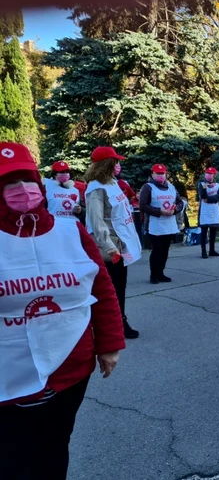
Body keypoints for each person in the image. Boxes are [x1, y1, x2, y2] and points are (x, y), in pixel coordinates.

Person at [0, 143, 125, 480]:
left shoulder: (72, 230)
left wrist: (109, 345)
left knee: (55, 448)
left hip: (71, 372)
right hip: (8, 380)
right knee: (12, 459)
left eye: (26, 180)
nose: (20, 191)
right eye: (8, 183)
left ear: (39, 186)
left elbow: (101, 288)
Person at [85, 146, 142, 339]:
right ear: (107, 164)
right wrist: (109, 247)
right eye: (115, 161)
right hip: (110, 249)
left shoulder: (112, 183)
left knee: (120, 286)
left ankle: (119, 321)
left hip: (120, 244)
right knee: (112, 289)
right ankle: (116, 324)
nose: (118, 165)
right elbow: (96, 221)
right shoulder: (96, 189)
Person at [139, 164, 184, 284]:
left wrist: (175, 210)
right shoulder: (148, 187)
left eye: (162, 173)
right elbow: (143, 206)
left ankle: (161, 273)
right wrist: (160, 212)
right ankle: (153, 274)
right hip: (155, 224)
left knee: (165, 251)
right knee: (157, 250)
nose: (160, 176)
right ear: (152, 174)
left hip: (169, 224)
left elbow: (180, 203)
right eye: (158, 173)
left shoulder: (171, 187)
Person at [198, 167, 219, 259]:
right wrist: (205, 190)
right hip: (205, 211)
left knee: (213, 232)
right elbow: (202, 196)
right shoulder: (201, 184)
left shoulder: (218, 185)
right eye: (207, 173)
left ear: (214, 175)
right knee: (204, 232)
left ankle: (212, 250)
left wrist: (208, 199)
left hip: (214, 211)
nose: (208, 175)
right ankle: (203, 251)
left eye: (210, 173)